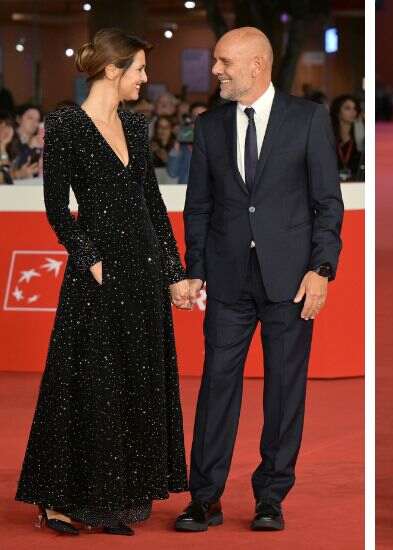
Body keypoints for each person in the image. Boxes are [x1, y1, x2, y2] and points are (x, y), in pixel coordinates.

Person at [15, 28, 191, 536]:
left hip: (142, 269)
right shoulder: (66, 123)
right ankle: (60, 500)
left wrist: (173, 271)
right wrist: (90, 259)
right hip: (98, 274)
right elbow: (56, 209)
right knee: (88, 382)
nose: (145, 78)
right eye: (139, 68)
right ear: (113, 70)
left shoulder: (135, 125)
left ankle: (115, 496)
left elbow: (152, 204)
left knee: (134, 381)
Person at [175, 26, 343, 533]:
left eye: (224, 62)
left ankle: (271, 496)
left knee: (284, 392)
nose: (215, 70)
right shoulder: (209, 126)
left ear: (257, 64)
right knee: (216, 387)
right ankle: (204, 498)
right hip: (227, 280)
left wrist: (322, 269)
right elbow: (198, 207)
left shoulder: (308, 118)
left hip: (290, 281)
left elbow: (327, 204)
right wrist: (194, 270)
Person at [167, 102, 207, 184]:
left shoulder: (218, 143)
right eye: (196, 117)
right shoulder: (183, 147)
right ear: (190, 120)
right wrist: (177, 144)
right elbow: (172, 173)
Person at [329, 94, 362, 181]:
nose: (353, 112)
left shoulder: (359, 137)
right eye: (347, 108)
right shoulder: (329, 138)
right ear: (337, 112)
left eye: (355, 108)